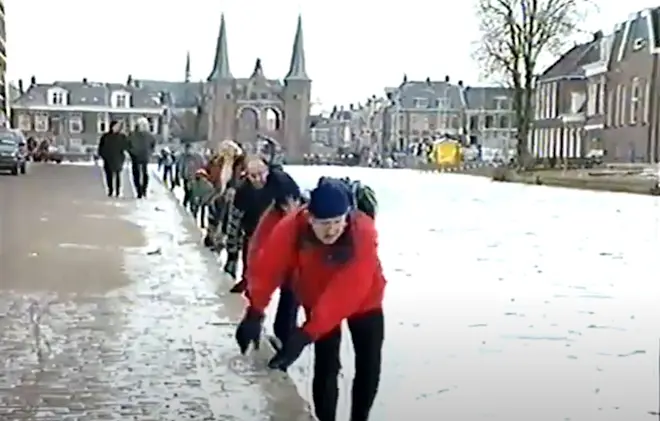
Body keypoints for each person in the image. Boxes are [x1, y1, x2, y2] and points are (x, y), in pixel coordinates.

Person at [235, 178, 386, 421]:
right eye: (324, 223)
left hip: (365, 297)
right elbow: (268, 267)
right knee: (326, 363)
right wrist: (255, 310)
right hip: (315, 294)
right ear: (310, 218)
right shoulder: (292, 228)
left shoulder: (362, 231)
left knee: (368, 363)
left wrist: (307, 332)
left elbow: (351, 286)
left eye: (338, 222)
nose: (332, 230)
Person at [246, 170, 302, 348]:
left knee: (288, 317)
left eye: (293, 200)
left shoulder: (310, 215)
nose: (290, 207)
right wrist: (255, 311)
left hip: (304, 274)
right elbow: (258, 260)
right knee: (284, 320)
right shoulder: (271, 221)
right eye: (284, 204)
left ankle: (287, 346)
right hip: (284, 270)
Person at [224, 157, 273, 292]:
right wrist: (232, 251)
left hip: (273, 235)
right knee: (251, 268)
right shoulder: (243, 191)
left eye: (261, 174)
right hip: (252, 235)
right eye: (253, 176)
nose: (258, 179)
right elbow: (234, 222)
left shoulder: (277, 185)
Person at [126, 117, 156, 198]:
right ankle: (139, 190)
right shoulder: (133, 134)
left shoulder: (149, 135)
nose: (142, 126)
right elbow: (127, 144)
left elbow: (153, 145)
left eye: (144, 125)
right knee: (136, 173)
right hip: (135, 156)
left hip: (144, 156)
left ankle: (144, 190)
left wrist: (150, 152)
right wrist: (131, 152)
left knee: (144, 173)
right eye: (141, 125)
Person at [97, 121, 128, 197]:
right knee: (109, 175)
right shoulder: (105, 136)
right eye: (116, 126)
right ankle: (110, 190)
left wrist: (123, 156)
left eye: (119, 126)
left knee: (118, 175)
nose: (118, 128)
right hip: (108, 159)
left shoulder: (122, 137)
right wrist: (103, 155)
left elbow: (126, 146)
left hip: (118, 158)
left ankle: (118, 191)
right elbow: (101, 147)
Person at [177, 143, 206, 211]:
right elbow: (181, 167)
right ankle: (186, 206)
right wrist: (181, 175)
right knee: (187, 192)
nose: (188, 151)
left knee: (194, 193)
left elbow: (203, 166)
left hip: (196, 178)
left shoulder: (198, 157)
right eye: (186, 149)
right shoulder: (184, 157)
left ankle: (192, 207)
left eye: (189, 149)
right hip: (187, 178)